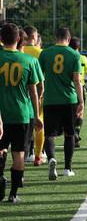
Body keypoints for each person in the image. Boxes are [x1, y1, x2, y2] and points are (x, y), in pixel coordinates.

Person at [0, 23, 43, 203]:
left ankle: (0, 178)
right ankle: (13, 194)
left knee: (1, 148)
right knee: (19, 153)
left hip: (1, 116)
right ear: (19, 40)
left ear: (1, 39)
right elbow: (34, 92)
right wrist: (37, 116)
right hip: (22, 114)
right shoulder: (29, 60)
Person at [39, 26, 84, 180]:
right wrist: (81, 101)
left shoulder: (45, 53)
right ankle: (67, 168)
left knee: (50, 134)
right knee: (69, 134)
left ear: (55, 37)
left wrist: (42, 90)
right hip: (69, 100)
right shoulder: (74, 54)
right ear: (69, 38)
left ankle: (51, 158)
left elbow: (39, 77)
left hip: (50, 100)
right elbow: (77, 80)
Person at [23, 26, 46, 166]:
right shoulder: (41, 53)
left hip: (19, 93)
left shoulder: (19, 51)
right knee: (39, 122)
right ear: (34, 37)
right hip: (37, 92)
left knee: (24, 124)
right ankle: (38, 156)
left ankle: (25, 154)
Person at [69, 36, 87, 147]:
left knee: (70, 113)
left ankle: (72, 134)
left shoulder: (66, 56)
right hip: (80, 87)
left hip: (69, 87)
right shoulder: (82, 58)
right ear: (78, 47)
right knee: (80, 112)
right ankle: (77, 132)